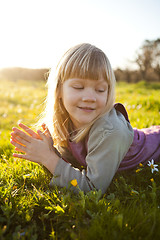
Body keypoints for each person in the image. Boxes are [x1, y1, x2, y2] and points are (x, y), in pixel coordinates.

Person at [10, 43, 160, 194]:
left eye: (100, 90)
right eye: (78, 87)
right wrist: (48, 151)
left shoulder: (111, 131)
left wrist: (49, 158)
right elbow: (70, 165)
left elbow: (93, 188)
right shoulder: (66, 120)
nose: (89, 98)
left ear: (108, 93)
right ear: (59, 90)